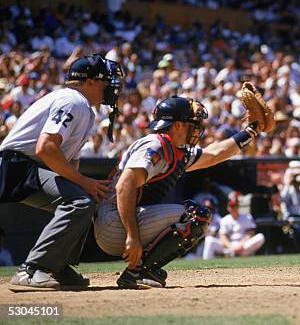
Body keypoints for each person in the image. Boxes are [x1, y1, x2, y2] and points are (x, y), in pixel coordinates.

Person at [94, 95, 269, 288]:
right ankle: (138, 271)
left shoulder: (174, 148)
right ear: (177, 125)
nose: (197, 128)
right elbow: (124, 187)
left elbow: (216, 153)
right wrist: (132, 237)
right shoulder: (155, 145)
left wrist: (251, 131)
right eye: (192, 123)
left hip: (122, 219)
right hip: (114, 222)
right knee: (196, 216)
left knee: (195, 215)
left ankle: (142, 269)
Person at [0, 55, 123, 290]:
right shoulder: (72, 100)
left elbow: (69, 161)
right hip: (15, 165)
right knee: (80, 200)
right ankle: (33, 268)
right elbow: (45, 147)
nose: (110, 86)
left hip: (29, 165)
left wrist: (84, 185)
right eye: (106, 80)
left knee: (86, 199)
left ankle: (57, 265)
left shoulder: (84, 108)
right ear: (89, 82)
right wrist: (84, 183)